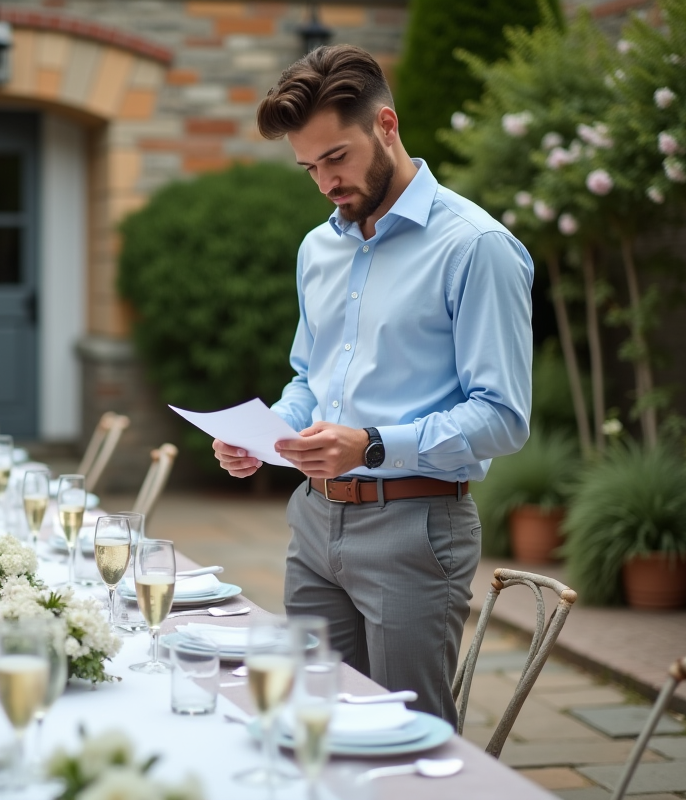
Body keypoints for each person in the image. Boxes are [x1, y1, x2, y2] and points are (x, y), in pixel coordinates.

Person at [212, 44, 533, 725]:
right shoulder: (317, 248)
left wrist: (373, 445)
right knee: (314, 724)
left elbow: (504, 416)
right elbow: (310, 377)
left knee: (408, 740)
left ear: (386, 125)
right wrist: (264, 434)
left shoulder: (477, 247)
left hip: (416, 532)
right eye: (310, 167)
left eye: (337, 158)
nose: (327, 181)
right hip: (314, 523)